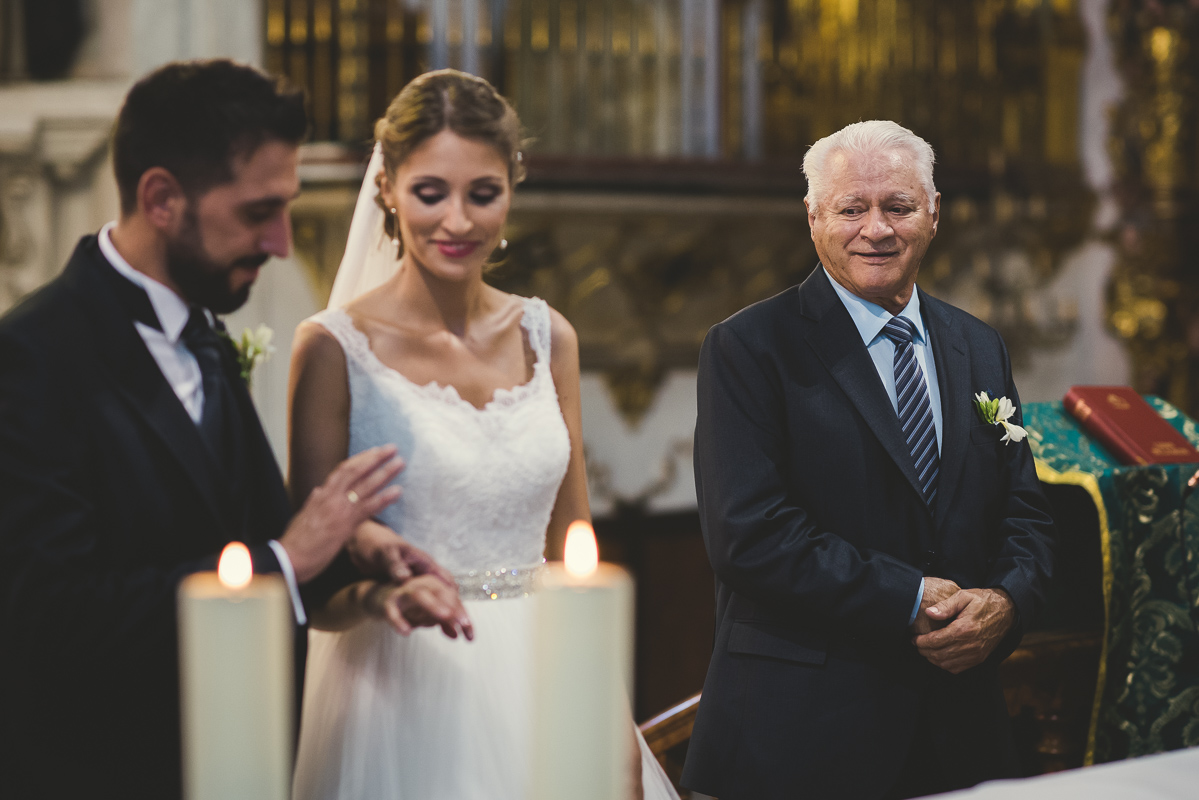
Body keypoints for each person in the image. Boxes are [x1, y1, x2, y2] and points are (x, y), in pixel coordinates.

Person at [0, 60, 466, 799]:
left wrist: (363, 562)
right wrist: (284, 559)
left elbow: (240, 530)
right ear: (161, 199)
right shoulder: (31, 358)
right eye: (258, 213)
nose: (280, 241)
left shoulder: (208, 337)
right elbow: (52, 619)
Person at [287, 69, 679, 800]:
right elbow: (312, 582)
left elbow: (574, 551)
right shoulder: (331, 350)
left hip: (545, 676)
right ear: (388, 189)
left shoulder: (547, 335)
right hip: (402, 688)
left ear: (512, 186)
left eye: (483, 193)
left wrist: (610, 712)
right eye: (431, 193)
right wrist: (378, 598)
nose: (458, 222)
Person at [680, 120, 1056, 800]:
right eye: (851, 208)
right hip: (803, 734)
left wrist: (1006, 602)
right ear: (813, 217)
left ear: (933, 213)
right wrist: (907, 596)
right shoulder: (749, 347)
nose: (875, 230)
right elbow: (748, 535)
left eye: (898, 207)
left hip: (959, 730)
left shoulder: (979, 345)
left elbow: (1025, 511)